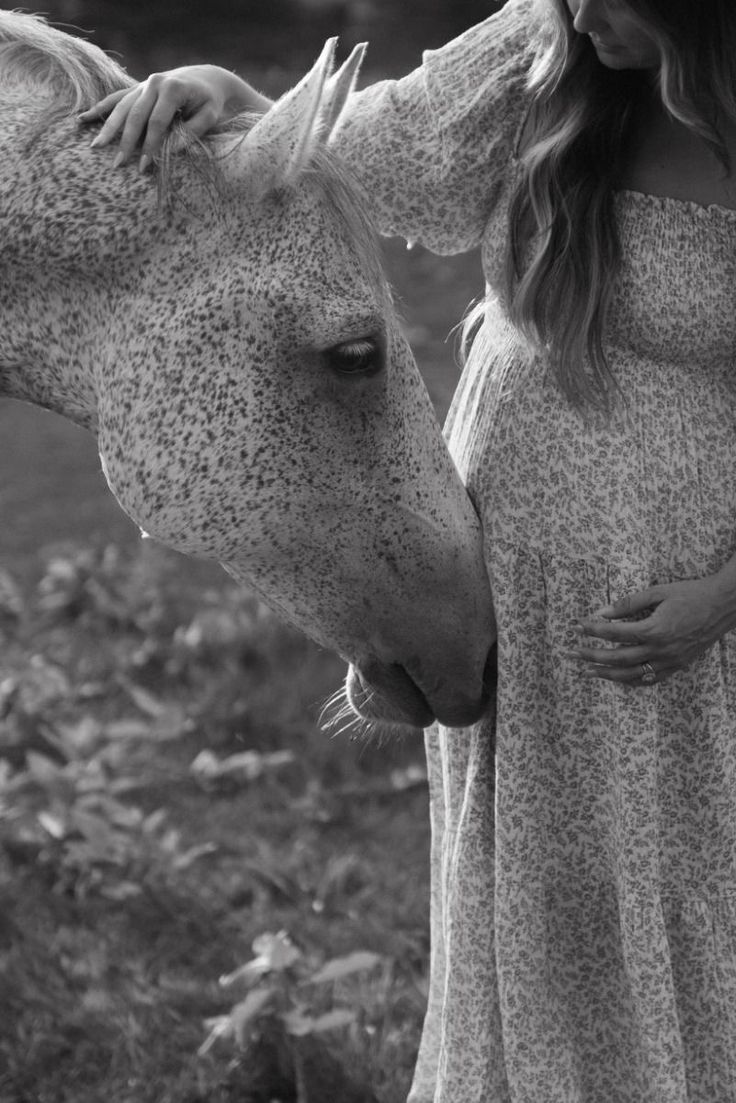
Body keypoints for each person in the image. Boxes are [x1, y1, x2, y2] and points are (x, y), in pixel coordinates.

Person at [79, 0, 736, 1099]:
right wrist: (234, 101)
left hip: (673, 610)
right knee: (517, 876)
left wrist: (721, 598)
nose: (581, 15)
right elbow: (370, 152)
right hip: (501, 571)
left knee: (679, 880)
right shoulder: (541, 52)